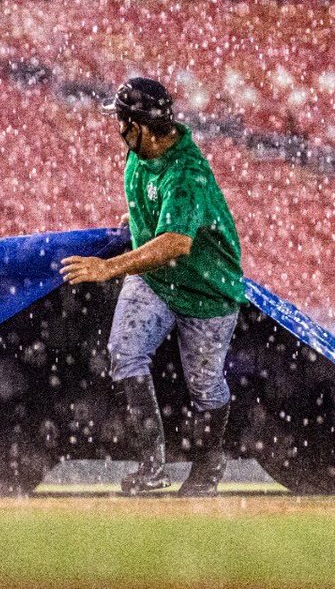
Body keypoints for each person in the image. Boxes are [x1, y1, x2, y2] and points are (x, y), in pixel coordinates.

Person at [60, 77, 245, 497]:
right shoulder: (138, 158)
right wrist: (141, 221)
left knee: (205, 386)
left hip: (207, 291)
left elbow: (177, 242)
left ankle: (208, 465)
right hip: (158, 281)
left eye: (122, 121)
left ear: (141, 127)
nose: (118, 130)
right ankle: (151, 465)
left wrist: (108, 267)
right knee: (124, 351)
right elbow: (156, 213)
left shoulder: (188, 172)